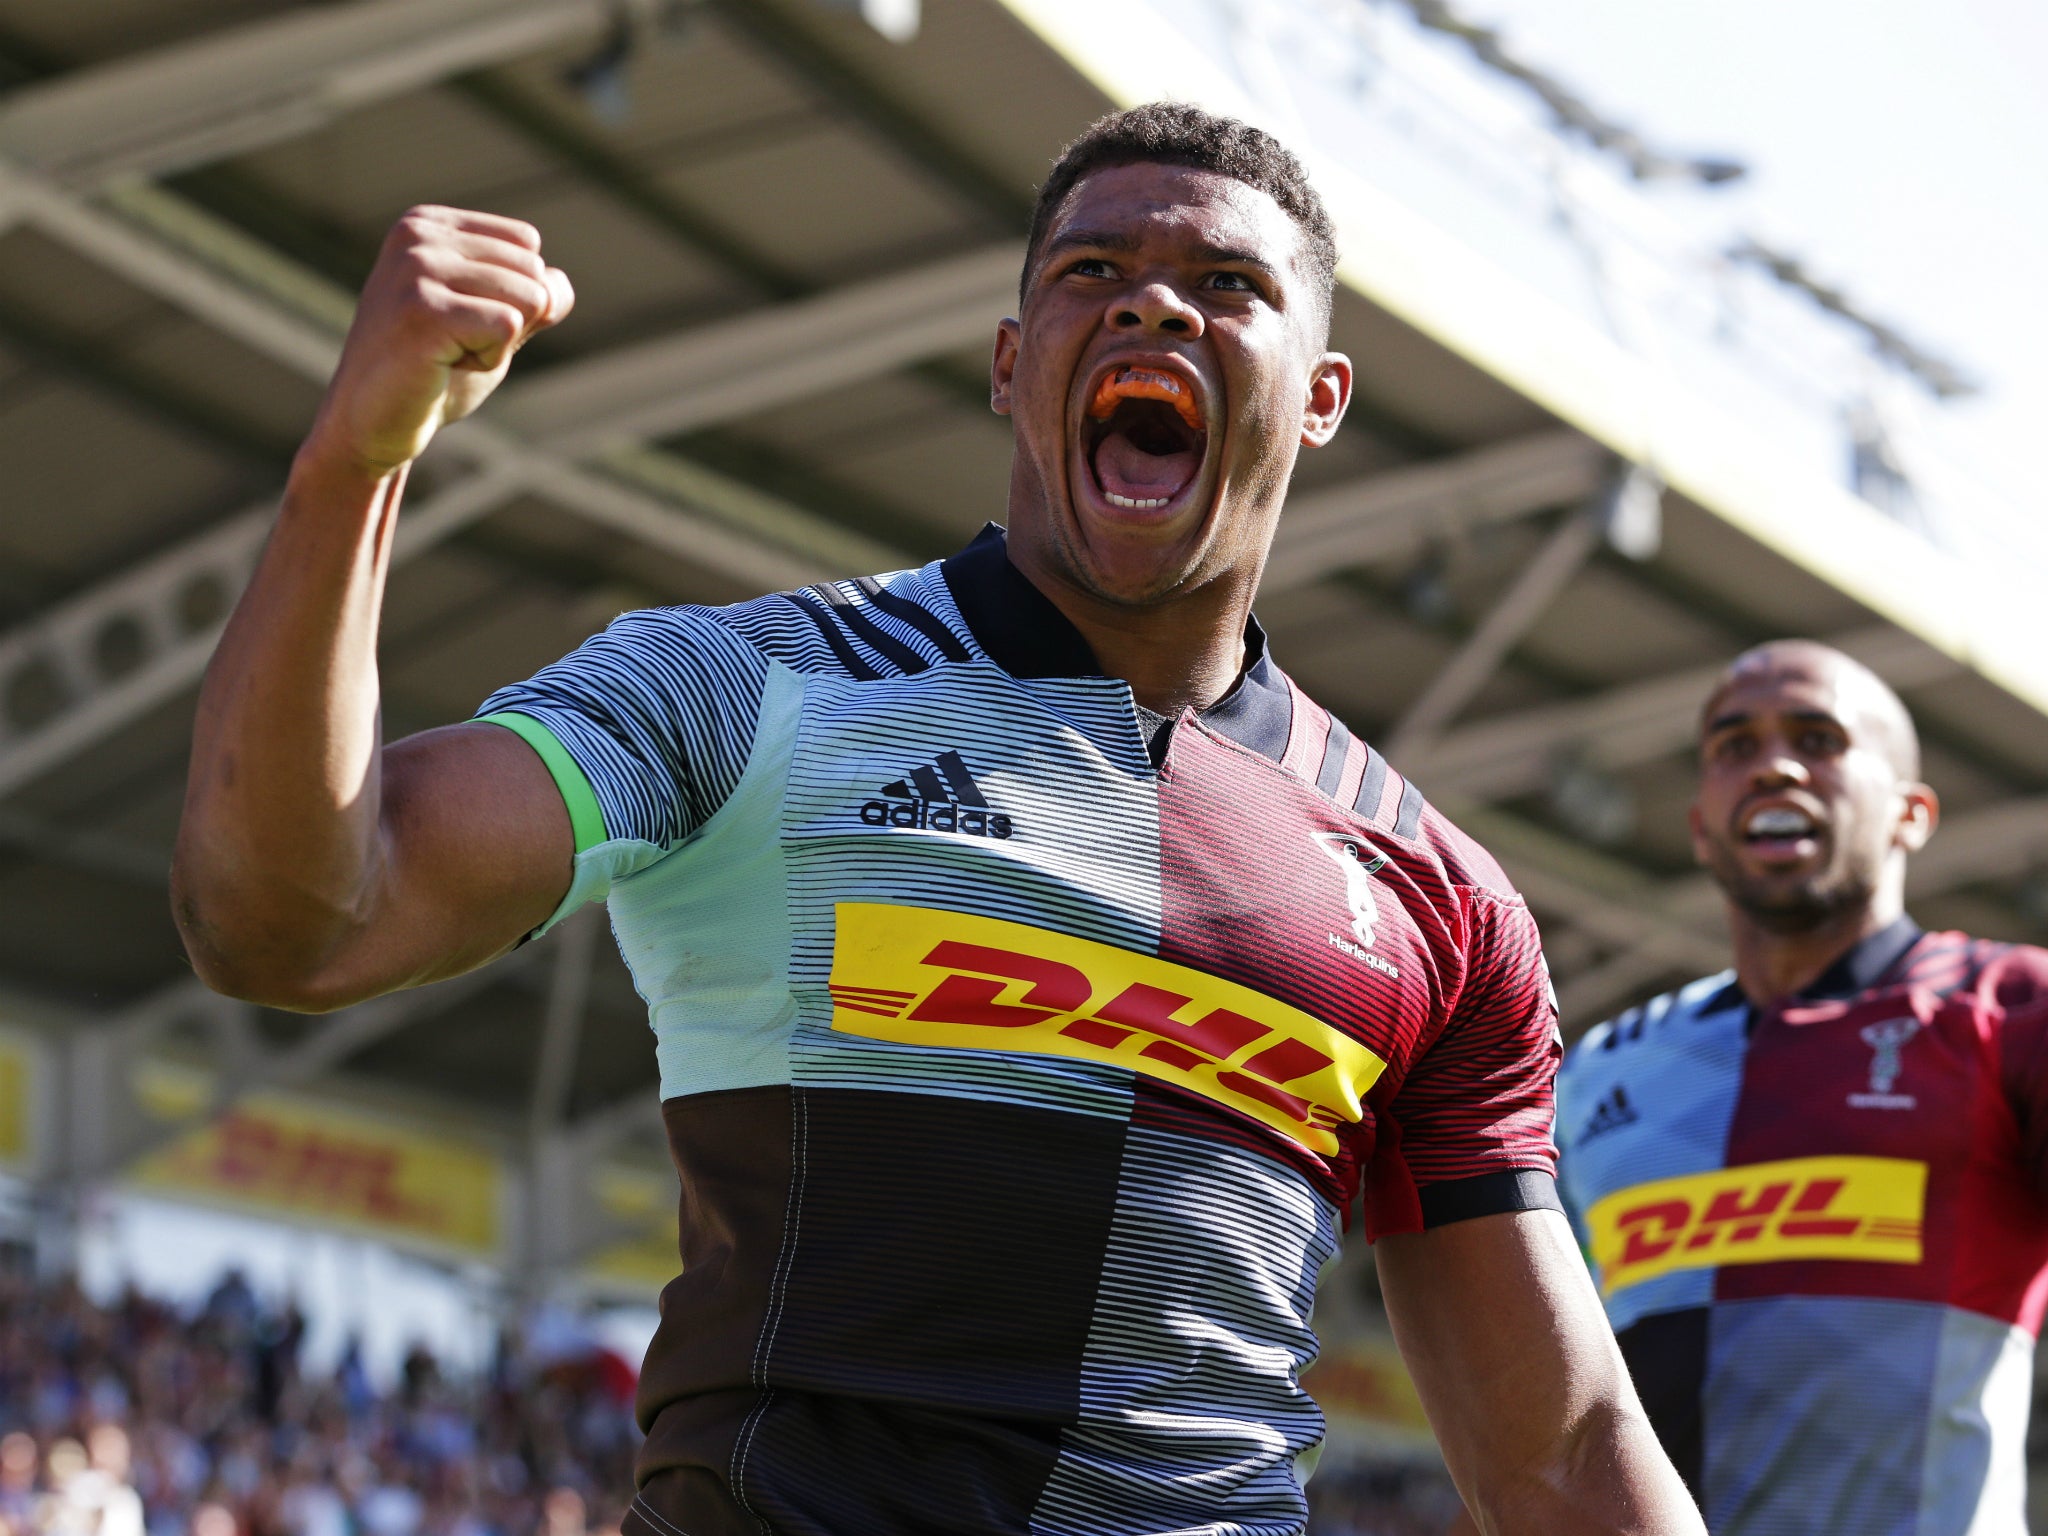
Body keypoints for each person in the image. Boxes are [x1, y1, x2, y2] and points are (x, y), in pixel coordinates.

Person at [172, 103, 1698, 1536]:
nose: (1156, 308)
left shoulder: (1434, 891)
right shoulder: (747, 686)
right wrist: (351, 472)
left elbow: (1560, 1450)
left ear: (1319, 398)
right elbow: (296, 918)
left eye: (1226, 284)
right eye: (1096, 270)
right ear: (1009, 360)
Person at [1556, 640, 2048, 1534]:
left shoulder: (2013, 1011)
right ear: (1701, 824)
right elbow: (1545, 1401)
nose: (1775, 765)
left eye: (1820, 740)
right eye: (1733, 746)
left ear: (1911, 813)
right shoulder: (1598, 1071)